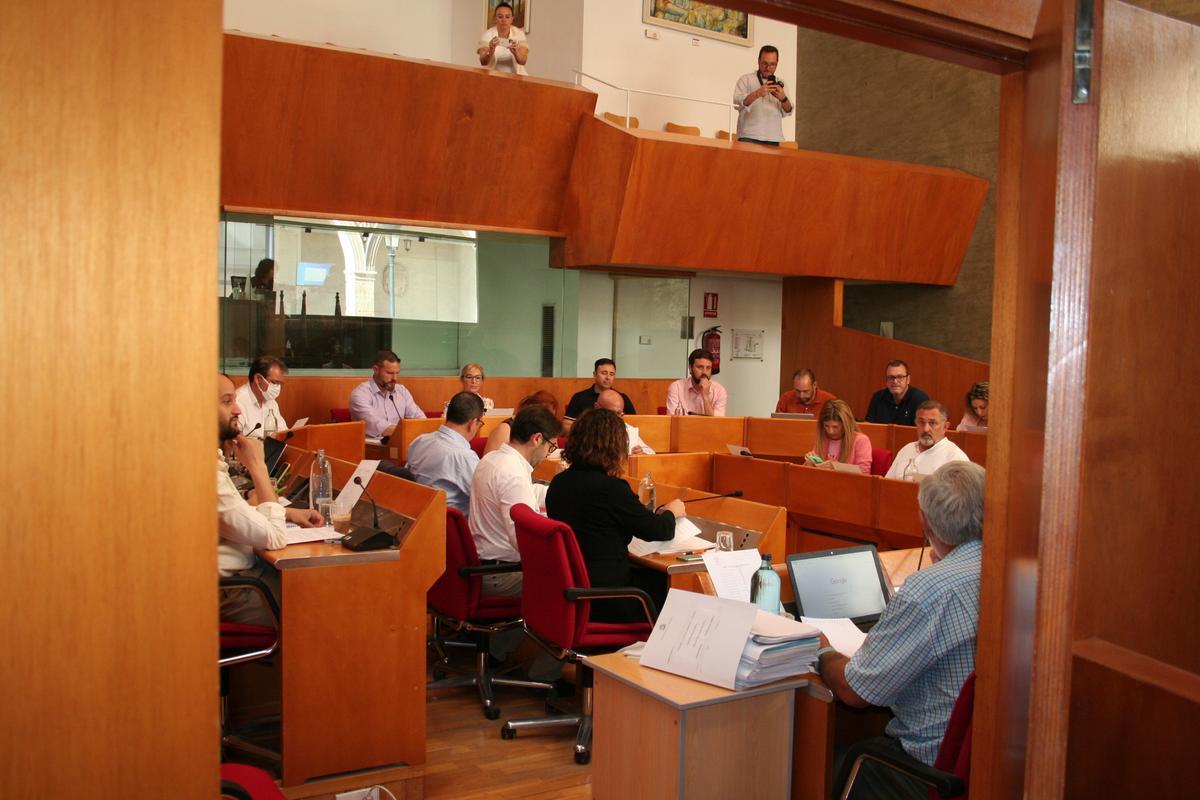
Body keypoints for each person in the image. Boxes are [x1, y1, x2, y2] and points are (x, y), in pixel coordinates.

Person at [817, 461, 985, 799]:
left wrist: (820, 649)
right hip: (986, 763)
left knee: (824, 764)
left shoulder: (927, 591)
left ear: (925, 521)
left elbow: (854, 693)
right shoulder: (1008, 567)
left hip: (927, 771)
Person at [546, 409, 686, 622]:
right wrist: (671, 512)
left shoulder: (559, 482)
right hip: (609, 595)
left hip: (574, 588)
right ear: (615, 447)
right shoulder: (611, 489)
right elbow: (659, 530)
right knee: (674, 584)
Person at [217, 374, 323, 625]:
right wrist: (257, 466)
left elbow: (231, 511)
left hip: (241, 579)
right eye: (226, 401)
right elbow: (275, 537)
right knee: (325, 595)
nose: (237, 408)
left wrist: (287, 513)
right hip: (232, 592)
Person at [467, 404, 562, 596]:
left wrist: (562, 494)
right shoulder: (513, 474)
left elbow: (525, 491)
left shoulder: (492, 458)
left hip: (482, 566)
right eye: (550, 447)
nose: (547, 454)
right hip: (502, 574)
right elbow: (525, 541)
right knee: (571, 584)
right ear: (537, 439)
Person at [406, 392, 485, 517]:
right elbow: (486, 497)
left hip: (419, 517)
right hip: (450, 527)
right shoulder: (463, 456)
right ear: (473, 423)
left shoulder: (420, 440)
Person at [349, 350, 426, 439]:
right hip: (371, 448)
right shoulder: (360, 394)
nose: (395, 378)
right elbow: (378, 426)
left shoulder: (402, 391)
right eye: (390, 373)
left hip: (399, 442)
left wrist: (421, 428)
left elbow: (421, 419)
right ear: (376, 370)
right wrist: (411, 431)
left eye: (397, 373)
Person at [885, 401, 969, 480]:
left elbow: (960, 494)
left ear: (945, 427)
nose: (926, 429)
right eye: (921, 422)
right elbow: (887, 484)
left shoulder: (955, 458)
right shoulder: (907, 449)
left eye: (932, 423)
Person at [733, 45, 793, 146]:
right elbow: (737, 103)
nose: (768, 67)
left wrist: (783, 98)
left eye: (772, 64)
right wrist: (758, 93)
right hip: (749, 136)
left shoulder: (781, 83)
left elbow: (789, 110)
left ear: (777, 64)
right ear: (758, 61)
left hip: (774, 138)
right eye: (764, 63)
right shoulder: (745, 79)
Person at [483, 390, 559, 456]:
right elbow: (491, 463)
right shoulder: (505, 429)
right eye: (547, 417)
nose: (550, 422)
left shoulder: (541, 430)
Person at [806, 399, 872, 474]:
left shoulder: (860, 440)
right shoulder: (823, 437)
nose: (830, 431)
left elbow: (864, 472)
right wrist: (810, 464)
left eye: (835, 427)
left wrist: (837, 467)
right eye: (826, 426)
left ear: (845, 425)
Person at [234, 355, 289, 437]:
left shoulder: (271, 402)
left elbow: (283, 432)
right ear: (258, 379)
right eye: (274, 383)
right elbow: (235, 440)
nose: (278, 388)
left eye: (280, 384)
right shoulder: (238, 401)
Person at [565, 358, 636, 419]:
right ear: (595, 374)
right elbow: (567, 425)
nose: (608, 377)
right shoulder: (579, 397)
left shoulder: (622, 398)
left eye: (611, 374)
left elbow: (635, 423)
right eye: (604, 373)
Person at [866, 360, 930, 426]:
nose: (895, 381)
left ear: (908, 379)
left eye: (900, 377)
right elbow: (869, 426)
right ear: (886, 381)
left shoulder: (920, 399)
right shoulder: (878, 397)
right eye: (891, 377)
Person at [666, 348, 728, 416]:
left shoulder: (719, 391)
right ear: (690, 368)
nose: (704, 372)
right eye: (700, 367)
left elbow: (718, 423)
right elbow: (672, 420)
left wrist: (706, 397)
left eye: (708, 368)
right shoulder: (676, 387)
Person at [595, 388, 654, 455]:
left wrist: (642, 453)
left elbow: (650, 452)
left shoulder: (628, 430)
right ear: (597, 407)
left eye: (619, 413)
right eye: (612, 413)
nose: (616, 418)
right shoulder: (587, 428)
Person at [477, 1, 528, 75]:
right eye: (500, 17)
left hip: (516, 76)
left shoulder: (519, 34)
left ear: (512, 19)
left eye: (507, 17)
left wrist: (516, 52)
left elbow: (523, 61)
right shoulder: (487, 35)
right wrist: (491, 51)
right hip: (492, 76)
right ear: (495, 18)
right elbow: (483, 62)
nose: (504, 20)